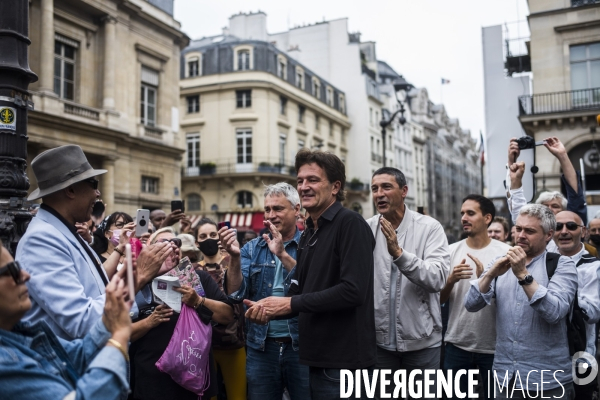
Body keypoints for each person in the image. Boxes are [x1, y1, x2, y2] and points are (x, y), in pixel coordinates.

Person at [244, 150, 376, 399]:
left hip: (343, 364)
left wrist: (289, 302)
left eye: (313, 180)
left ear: (335, 186)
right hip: (315, 358)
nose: (304, 186)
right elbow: (300, 288)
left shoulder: (351, 224)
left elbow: (353, 290)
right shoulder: (310, 232)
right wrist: (266, 310)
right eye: (300, 180)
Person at [16, 145, 173, 339]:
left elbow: (96, 286)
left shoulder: (63, 229)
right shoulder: (42, 240)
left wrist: (146, 271)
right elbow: (83, 322)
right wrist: (138, 277)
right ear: (71, 190)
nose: (97, 194)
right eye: (93, 184)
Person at [465, 204, 578, 398]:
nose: (521, 235)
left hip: (548, 380)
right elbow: (471, 304)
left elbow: (554, 313)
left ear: (548, 235)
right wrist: (490, 274)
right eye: (518, 229)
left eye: (530, 231)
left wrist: (523, 274)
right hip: (505, 377)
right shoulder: (500, 262)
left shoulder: (562, 264)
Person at [0, 240, 133, 399]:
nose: (26, 275)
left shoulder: (20, 332)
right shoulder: (5, 362)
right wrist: (119, 337)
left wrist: (110, 318)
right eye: (13, 270)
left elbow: (78, 355)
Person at [366, 167, 450, 398]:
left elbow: (438, 277)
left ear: (404, 191)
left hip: (422, 345)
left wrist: (399, 254)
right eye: (374, 188)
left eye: (386, 187)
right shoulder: (366, 228)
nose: (379, 194)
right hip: (379, 344)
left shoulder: (429, 228)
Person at [220, 183, 309, 400]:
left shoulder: (309, 245)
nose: (271, 215)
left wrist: (282, 254)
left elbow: (312, 288)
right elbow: (235, 294)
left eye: (278, 209)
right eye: (267, 209)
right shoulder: (251, 248)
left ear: (297, 210)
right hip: (261, 347)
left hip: (302, 346)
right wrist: (235, 258)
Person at [129, 227, 234, 400]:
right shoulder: (137, 284)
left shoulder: (198, 278)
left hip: (193, 381)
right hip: (152, 384)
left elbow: (227, 316)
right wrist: (150, 321)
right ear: (148, 250)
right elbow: (118, 333)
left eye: (176, 243)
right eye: (163, 243)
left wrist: (198, 301)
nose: (172, 246)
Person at [440, 195, 510, 400]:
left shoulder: (505, 253)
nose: (464, 217)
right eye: (462, 213)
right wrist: (451, 279)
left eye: (470, 213)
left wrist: (485, 280)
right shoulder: (451, 251)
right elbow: (438, 299)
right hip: (456, 344)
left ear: (487, 218)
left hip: (495, 347)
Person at [194, 218, 247, 400]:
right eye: (203, 236)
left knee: (237, 396)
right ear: (196, 242)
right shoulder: (191, 271)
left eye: (213, 235)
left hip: (233, 343)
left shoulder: (233, 263)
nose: (208, 239)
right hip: (203, 348)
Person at [553, 211, 600, 399]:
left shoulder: (594, 267)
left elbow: (594, 313)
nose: (564, 231)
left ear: (584, 232)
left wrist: (566, 290)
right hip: (548, 357)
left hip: (582, 355)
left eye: (571, 226)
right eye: (558, 227)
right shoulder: (545, 262)